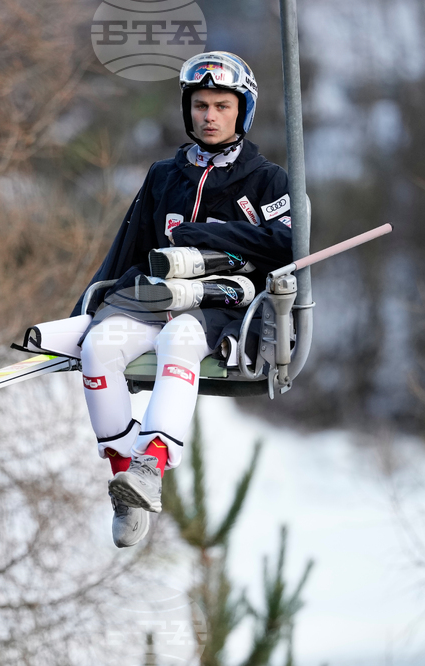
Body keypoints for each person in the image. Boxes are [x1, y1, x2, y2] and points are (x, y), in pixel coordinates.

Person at [71, 51, 294, 548]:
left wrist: (215, 236)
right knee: (98, 348)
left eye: (221, 106)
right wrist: (85, 314)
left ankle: (151, 463)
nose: (209, 116)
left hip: (225, 309)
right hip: (158, 297)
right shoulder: (162, 175)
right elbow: (127, 248)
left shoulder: (267, 180)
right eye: (199, 106)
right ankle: (127, 480)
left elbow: (286, 243)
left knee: (179, 335)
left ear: (242, 111)